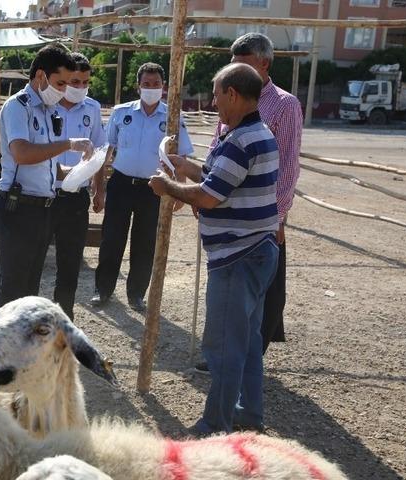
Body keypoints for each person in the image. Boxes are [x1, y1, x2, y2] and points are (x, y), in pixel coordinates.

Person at [149, 63, 280, 435]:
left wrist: (168, 186)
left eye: (217, 93)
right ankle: (248, 412)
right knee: (248, 342)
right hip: (258, 250)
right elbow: (220, 176)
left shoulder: (239, 139)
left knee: (223, 346)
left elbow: (209, 196)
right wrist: (187, 167)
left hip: (238, 257)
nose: (213, 100)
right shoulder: (256, 132)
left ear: (233, 95)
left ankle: (215, 422)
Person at [195, 33, 303, 374]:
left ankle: (246, 360)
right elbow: (217, 149)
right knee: (227, 290)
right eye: (232, 66)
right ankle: (224, 355)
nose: (235, 73)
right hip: (228, 212)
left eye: (242, 66)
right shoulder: (231, 96)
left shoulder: (284, 105)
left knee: (264, 296)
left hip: (261, 217)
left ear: (264, 64)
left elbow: (287, 166)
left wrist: (278, 216)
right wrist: (205, 189)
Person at [0, 44, 94, 321]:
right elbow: (22, 153)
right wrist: (67, 143)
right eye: (59, 83)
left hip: (43, 209)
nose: (63, 90)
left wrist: (76, 173)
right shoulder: (17, 107)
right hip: (19, 207)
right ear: (40, 77)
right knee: (12, 289)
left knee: (29, 290)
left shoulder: (49, 110)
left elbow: (46, 165)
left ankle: (19, 350)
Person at [89, 62, 194, 312]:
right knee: (112, 239)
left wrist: (181, 189)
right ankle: (102, 290)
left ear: (164, 87)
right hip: (121, 183)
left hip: (154, 187)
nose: (151, 88)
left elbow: (182, 156)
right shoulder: (121, 113)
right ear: (138, 87)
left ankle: (136, 294)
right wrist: (99, 188)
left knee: (145, 243)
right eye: (146, 84)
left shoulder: (173, 117)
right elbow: (106, 151)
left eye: (155, 84)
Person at [48, 52, 107, 321]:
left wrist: (99, 188)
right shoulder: (46, 105)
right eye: (75, 81)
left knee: (70, 263)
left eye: (85, 82)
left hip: (76, 196)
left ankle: (64, 319)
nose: (80, 87)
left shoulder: (92, 108)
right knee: (33, 260)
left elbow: (99, 152)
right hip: (44, 193)